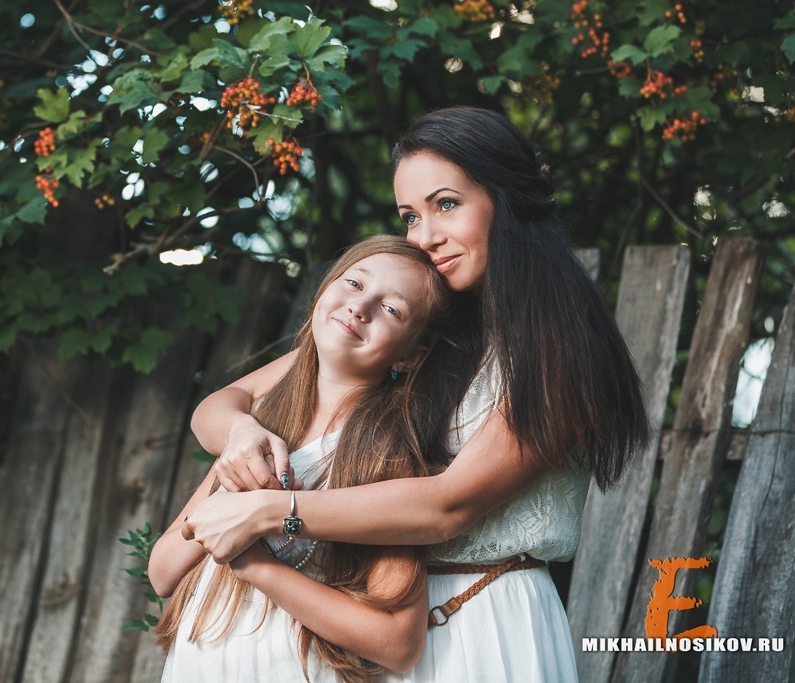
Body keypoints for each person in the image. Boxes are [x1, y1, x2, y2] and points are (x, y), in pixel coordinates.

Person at [180, 106, 650, 682]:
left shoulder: (564, 346)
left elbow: (446, 506)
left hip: (482, 619)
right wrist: (244, 431)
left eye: (445, 204)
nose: (424, 237)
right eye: (409, 216)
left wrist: (271, 512)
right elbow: (221, 405)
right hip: (369, 622)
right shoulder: (417, 327)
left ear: (507, 198)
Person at [150, 235, 475, 682]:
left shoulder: (383, 457)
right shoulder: (262, 429)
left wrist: (256, 563)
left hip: (293, 668)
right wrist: (230, 494)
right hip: (199, 663)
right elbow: (163, 571)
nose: (361, 307)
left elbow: (398, 644)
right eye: (354, 283)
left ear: (410, 354)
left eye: (392, 309)